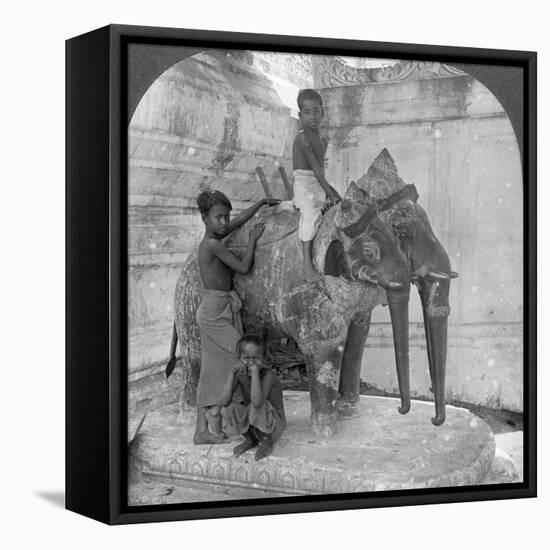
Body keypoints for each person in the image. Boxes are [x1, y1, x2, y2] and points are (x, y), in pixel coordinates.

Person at [194, 190, 279, 445]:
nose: (223, 222)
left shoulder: (216, 234)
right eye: (218, 217)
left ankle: (202, 431)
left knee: (211, 369)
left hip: (219, 307)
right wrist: (253, 239)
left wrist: (260, 202)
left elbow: (238, 220)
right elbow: (243, 267)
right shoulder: (211, 244)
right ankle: (245, 416)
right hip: (212, 313)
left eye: (225, 216)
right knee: (244, 355)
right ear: (204, 218)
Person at [292, 89, 342, 281]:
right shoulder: (302, 138)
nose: (312, 116)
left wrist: (333, 193)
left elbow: (321, 174)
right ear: (300, 115)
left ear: (323, 112)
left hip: (318, 183)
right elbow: (316, 170)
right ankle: (306, 265)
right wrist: (330, 193)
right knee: (311, 214)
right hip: (304, 184)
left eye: (316, 111)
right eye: (307, 112)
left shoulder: (321, 140)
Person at [219, 334, 286, 460]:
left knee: (256, 406)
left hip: (274, 425)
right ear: (238, 358)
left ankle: (267, 442)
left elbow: (257, 403)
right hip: (255, 422)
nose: (251, 362)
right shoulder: (240, 374)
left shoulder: (269, 376)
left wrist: (255, 372)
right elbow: (224, 401)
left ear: (264, 358)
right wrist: (233, 373)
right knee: (229, 408)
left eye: (256, 358)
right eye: (246, 358)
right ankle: (251, 439)